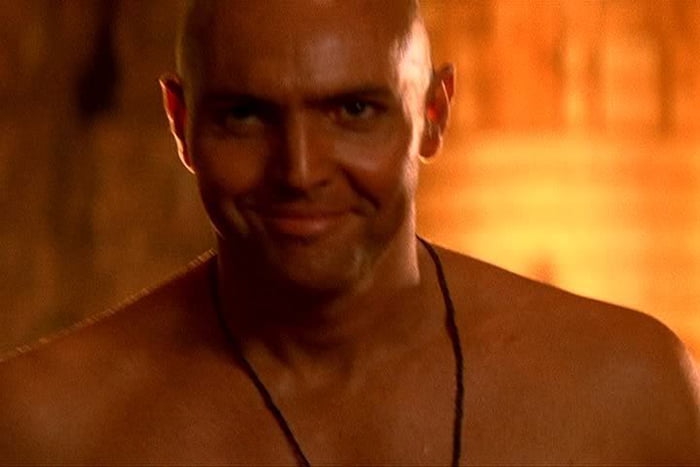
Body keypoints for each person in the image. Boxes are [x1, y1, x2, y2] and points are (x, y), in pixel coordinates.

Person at [1, 0, 698, 464]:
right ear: (181, 123)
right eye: (245, 116)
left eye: (354, 111)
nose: (300, 171)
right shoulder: (45, 427)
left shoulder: (628, 391)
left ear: (433, 114)